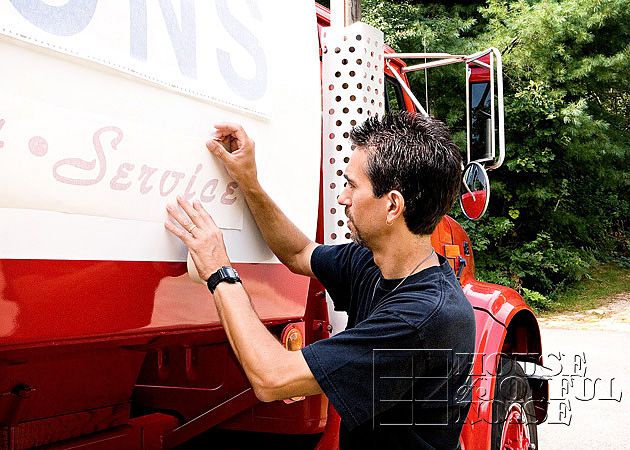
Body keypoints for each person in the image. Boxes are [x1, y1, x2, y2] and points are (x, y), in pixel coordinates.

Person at [165, 111, 476, 450]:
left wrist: (219, 271)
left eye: (353, 186)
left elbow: (271, 377)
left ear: (392, 206)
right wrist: (249, 183)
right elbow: (298, 252)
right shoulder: (374, 263)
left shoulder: (420, 319)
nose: (343, 197)